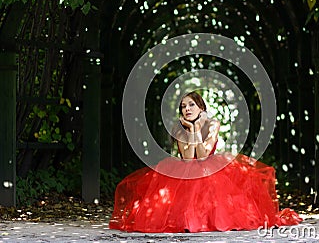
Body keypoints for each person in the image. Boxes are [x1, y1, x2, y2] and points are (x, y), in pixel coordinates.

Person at [109, 91, 302, 233]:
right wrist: (191, 130)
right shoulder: (179, 128)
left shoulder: (213, 124)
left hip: (209, 165)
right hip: (185, 168)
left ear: (201, 108)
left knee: (213, 189)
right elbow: (187, 157)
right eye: (183, 106)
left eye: (191, 105)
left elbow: (203, 155)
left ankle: (206, 220)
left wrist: (198, 127)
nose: (187, 109)